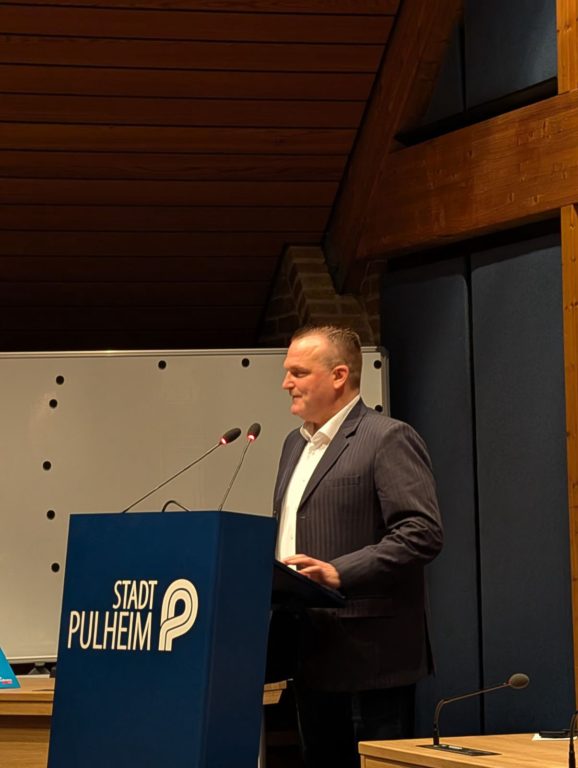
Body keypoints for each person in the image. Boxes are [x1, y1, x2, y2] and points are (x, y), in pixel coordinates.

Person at [272, 325, 442, 768]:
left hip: (370, 657)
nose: (286, 383)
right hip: (309, 652)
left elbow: (421, 531)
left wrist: (338, 571)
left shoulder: (387, 437)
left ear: (339, 376)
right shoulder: (293, 445)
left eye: (298, 372)